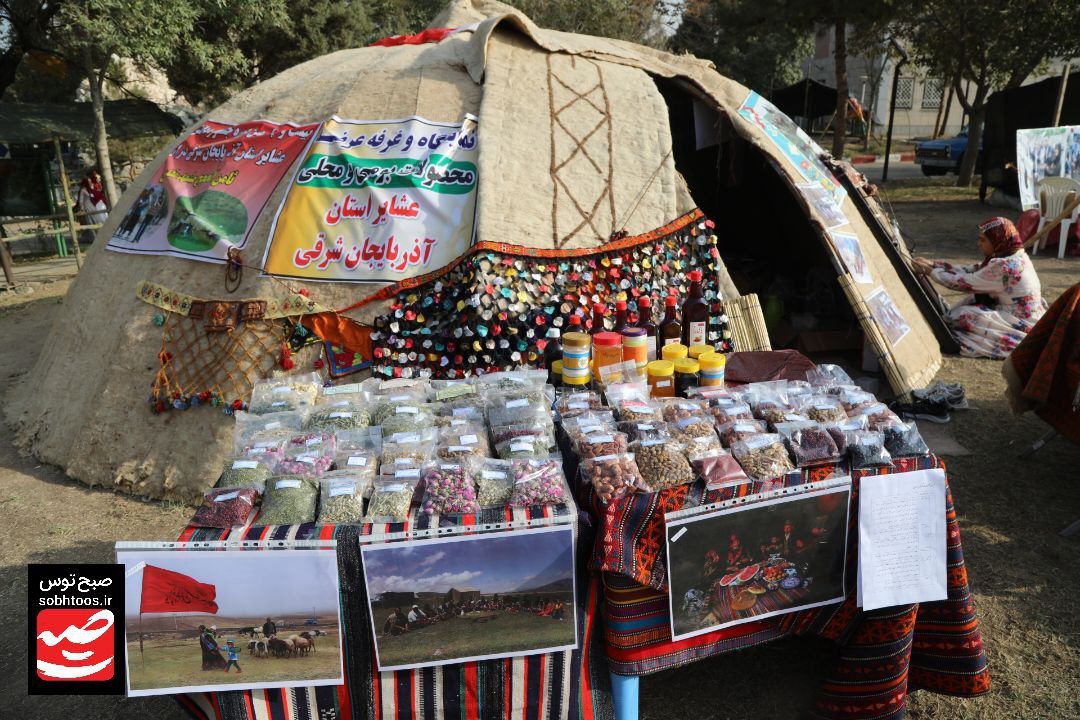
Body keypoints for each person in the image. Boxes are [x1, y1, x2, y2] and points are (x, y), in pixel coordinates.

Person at [912, 217, 1047, 359]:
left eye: (983, 240)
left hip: (1020, 320)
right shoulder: (1017, 256)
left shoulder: (1005, 266)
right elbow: (971, 270)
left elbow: (963, 282)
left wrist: (930, 271)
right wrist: (934, 265)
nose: (979, 244)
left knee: (962, 315)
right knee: (968, 304)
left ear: (996, 241)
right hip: (1026, 315)